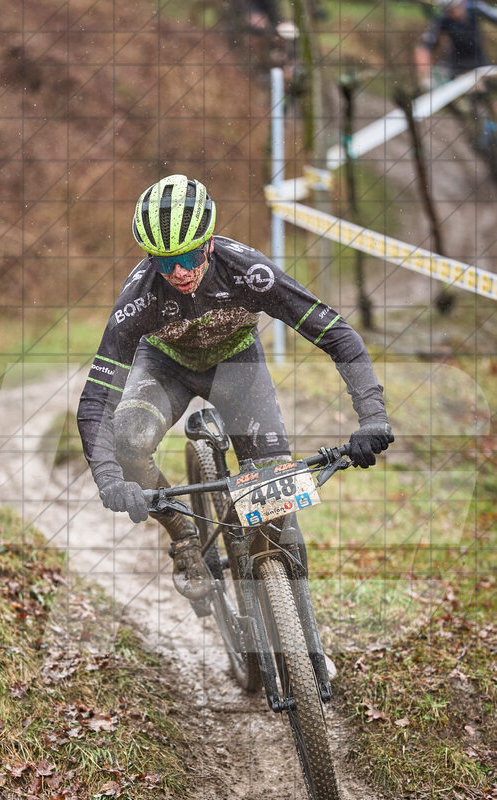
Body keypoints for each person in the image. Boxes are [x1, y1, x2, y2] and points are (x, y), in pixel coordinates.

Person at [76, 175, 393, 602]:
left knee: (278, 514)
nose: (180, 272)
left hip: (237, 365)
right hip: (164, 368)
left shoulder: (249, 272)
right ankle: (184, 535)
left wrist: (372, 416)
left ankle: (302, 642)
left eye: (188, 255)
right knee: (126, 440)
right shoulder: (138, 298)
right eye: (165, 262)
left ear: (207, 243)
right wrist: (109, 478)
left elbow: (336, 333)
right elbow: (97, 398)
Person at [415, 0, 497, 88]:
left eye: (455, 8)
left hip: (481, 64)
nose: (453, 13)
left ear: (462, 3)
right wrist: (426, 75)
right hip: (457, 69)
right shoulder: (442, 19)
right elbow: (423, 48)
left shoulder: (475, 7)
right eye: (449, 10)